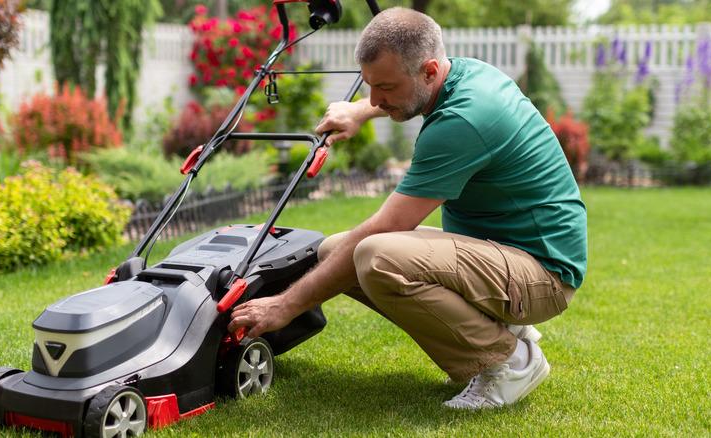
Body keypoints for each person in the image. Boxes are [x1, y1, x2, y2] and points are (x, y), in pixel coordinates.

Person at [229, 7, 587, 410]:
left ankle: (510, 361)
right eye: (370, 87)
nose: (376, 99)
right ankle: (500, 330)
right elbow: (404, 95)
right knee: (334, 251)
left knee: (375, 256)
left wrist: (286, 305)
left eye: (385, 87)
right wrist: (360, 111)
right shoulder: (462, 73)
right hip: (498, 252)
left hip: (543, 273)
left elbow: (387, 225)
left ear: (429, 71)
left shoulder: (463, 121)